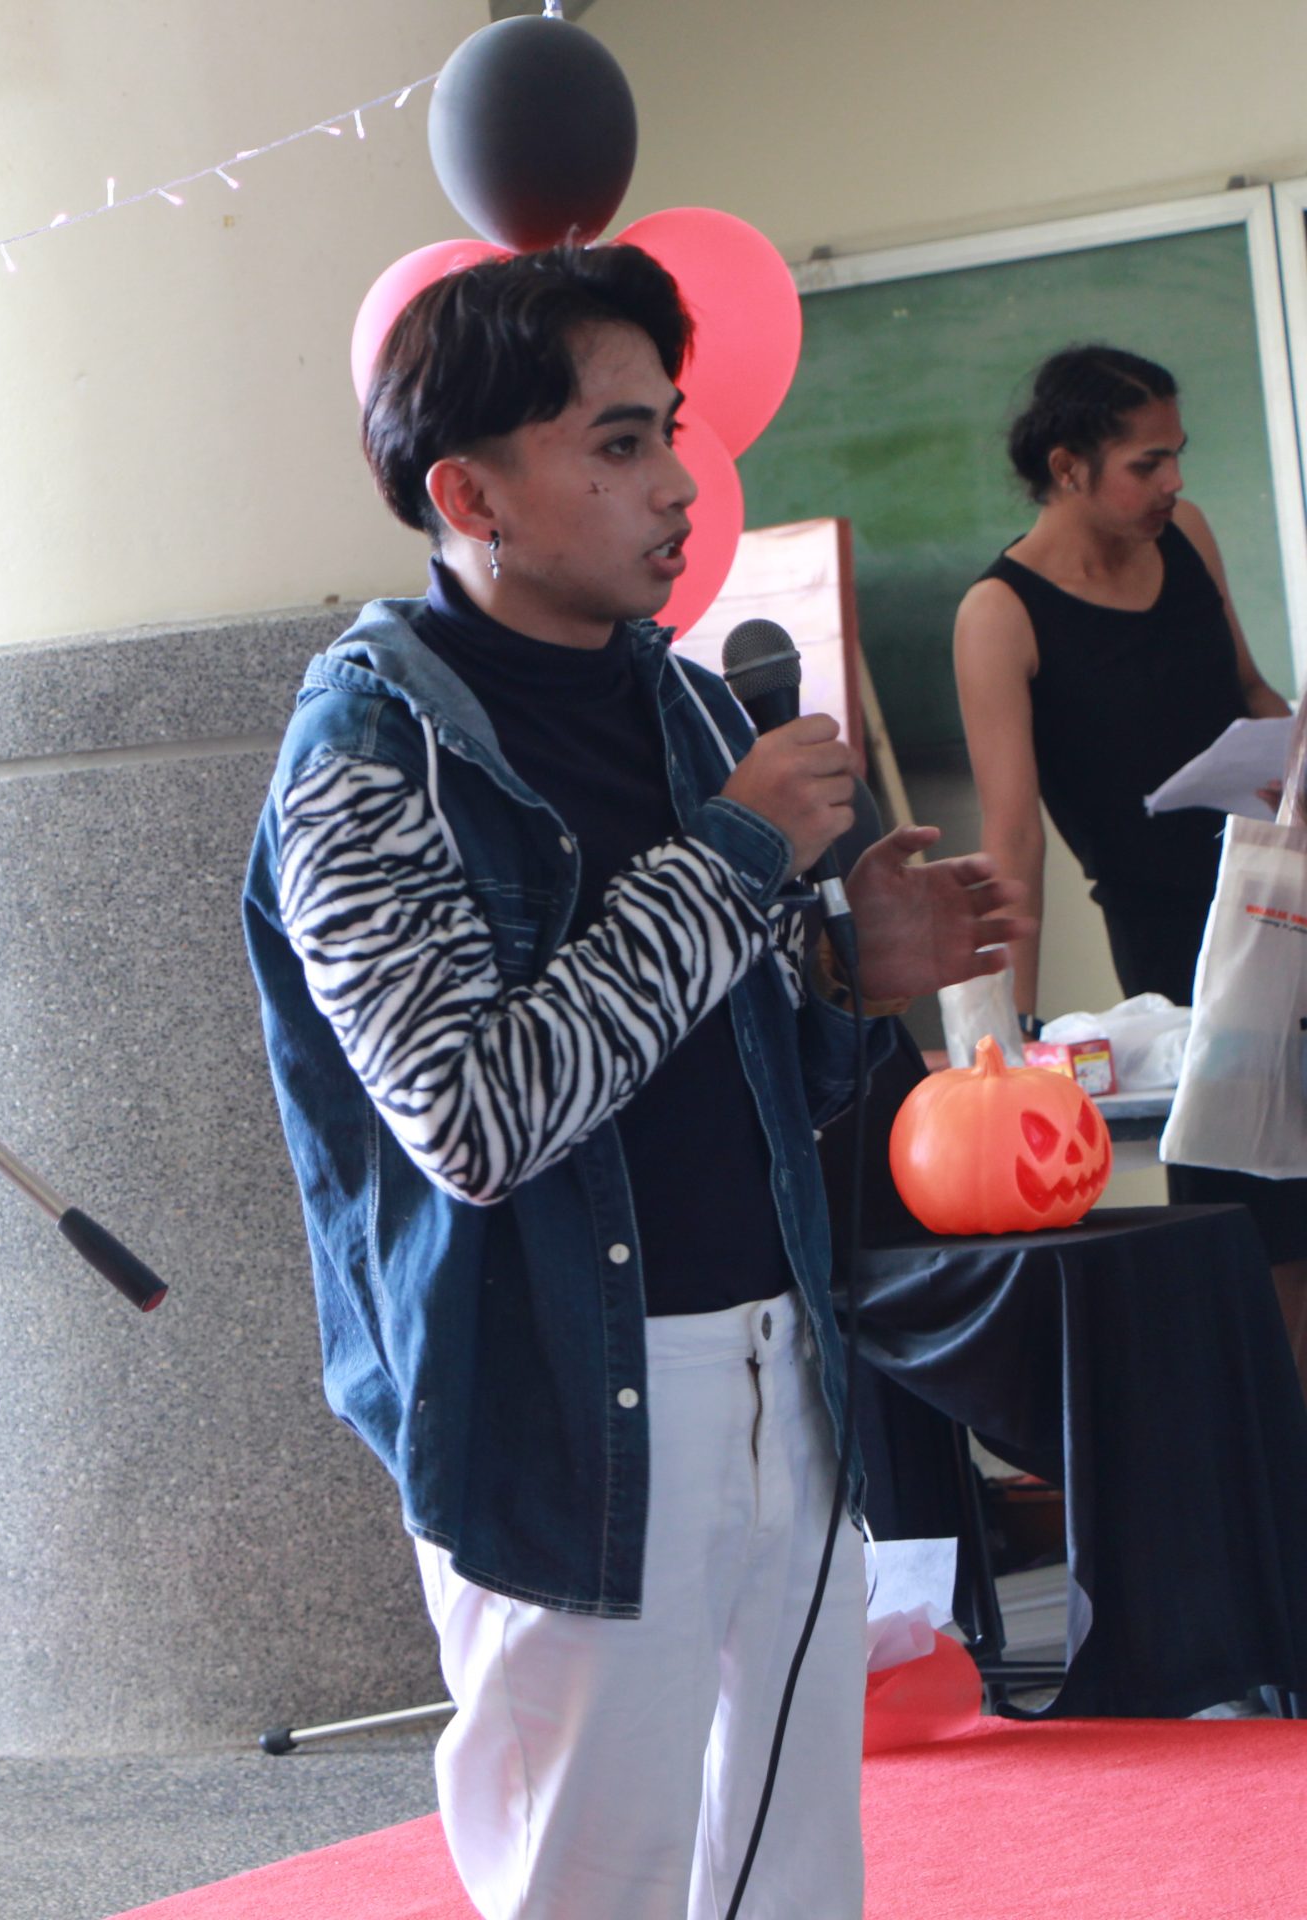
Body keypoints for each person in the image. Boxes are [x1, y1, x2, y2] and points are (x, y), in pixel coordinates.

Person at [241, 245, 1028, 1920]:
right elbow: (479, 1118)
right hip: (562, 1401)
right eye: (617, 444)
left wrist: (847, 978)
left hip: (779, 1359)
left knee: (792, 1882)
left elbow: (732, 1060)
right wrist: (739, 857)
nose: (679, 484)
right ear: (470, 494)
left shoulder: (680, 703)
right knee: (591, 1890)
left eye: (668, 429)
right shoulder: (369, 758)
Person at [953, 344, 1307, 1378]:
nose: (1173, 483)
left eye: (1176, 456)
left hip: (1279, 888)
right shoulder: (999, 614)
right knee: (1252, 1215)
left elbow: (1249, 691)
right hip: (1173, 939)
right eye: (1147, 464)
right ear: (1067, 468)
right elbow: (1012, 834)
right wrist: (1009, 1034)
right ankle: (1273, 1445)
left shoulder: (1185, 535)